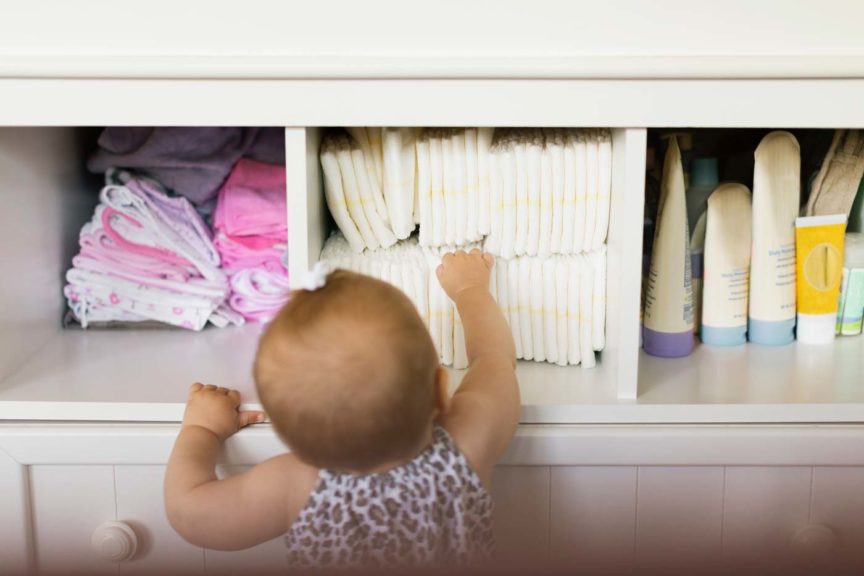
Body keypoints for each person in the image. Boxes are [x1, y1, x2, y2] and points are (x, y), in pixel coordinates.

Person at [165, 249, 520, 569]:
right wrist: (469, 289)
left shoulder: (294, 484)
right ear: (441, 392)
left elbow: (188, 513)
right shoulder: (466, 442)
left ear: (284, 430)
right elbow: (494, 359)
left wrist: (203, 431)